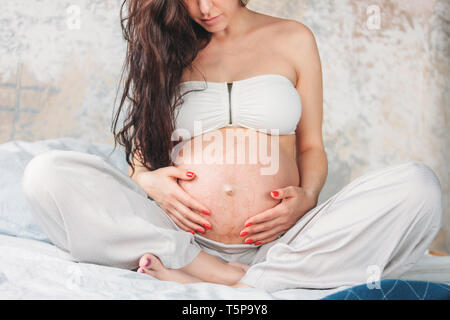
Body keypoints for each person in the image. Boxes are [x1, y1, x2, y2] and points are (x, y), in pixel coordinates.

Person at [22, 0, 443, 292]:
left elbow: (311, 146)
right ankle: (211, 271)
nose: (205, 9)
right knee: (47, 174)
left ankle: (247, 279)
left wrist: (308, 196)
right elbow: (139, 155)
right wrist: (149, 182)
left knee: (418, 187)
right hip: (181, 237)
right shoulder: (166, 46)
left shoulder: (294, 38)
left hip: (282, 242)